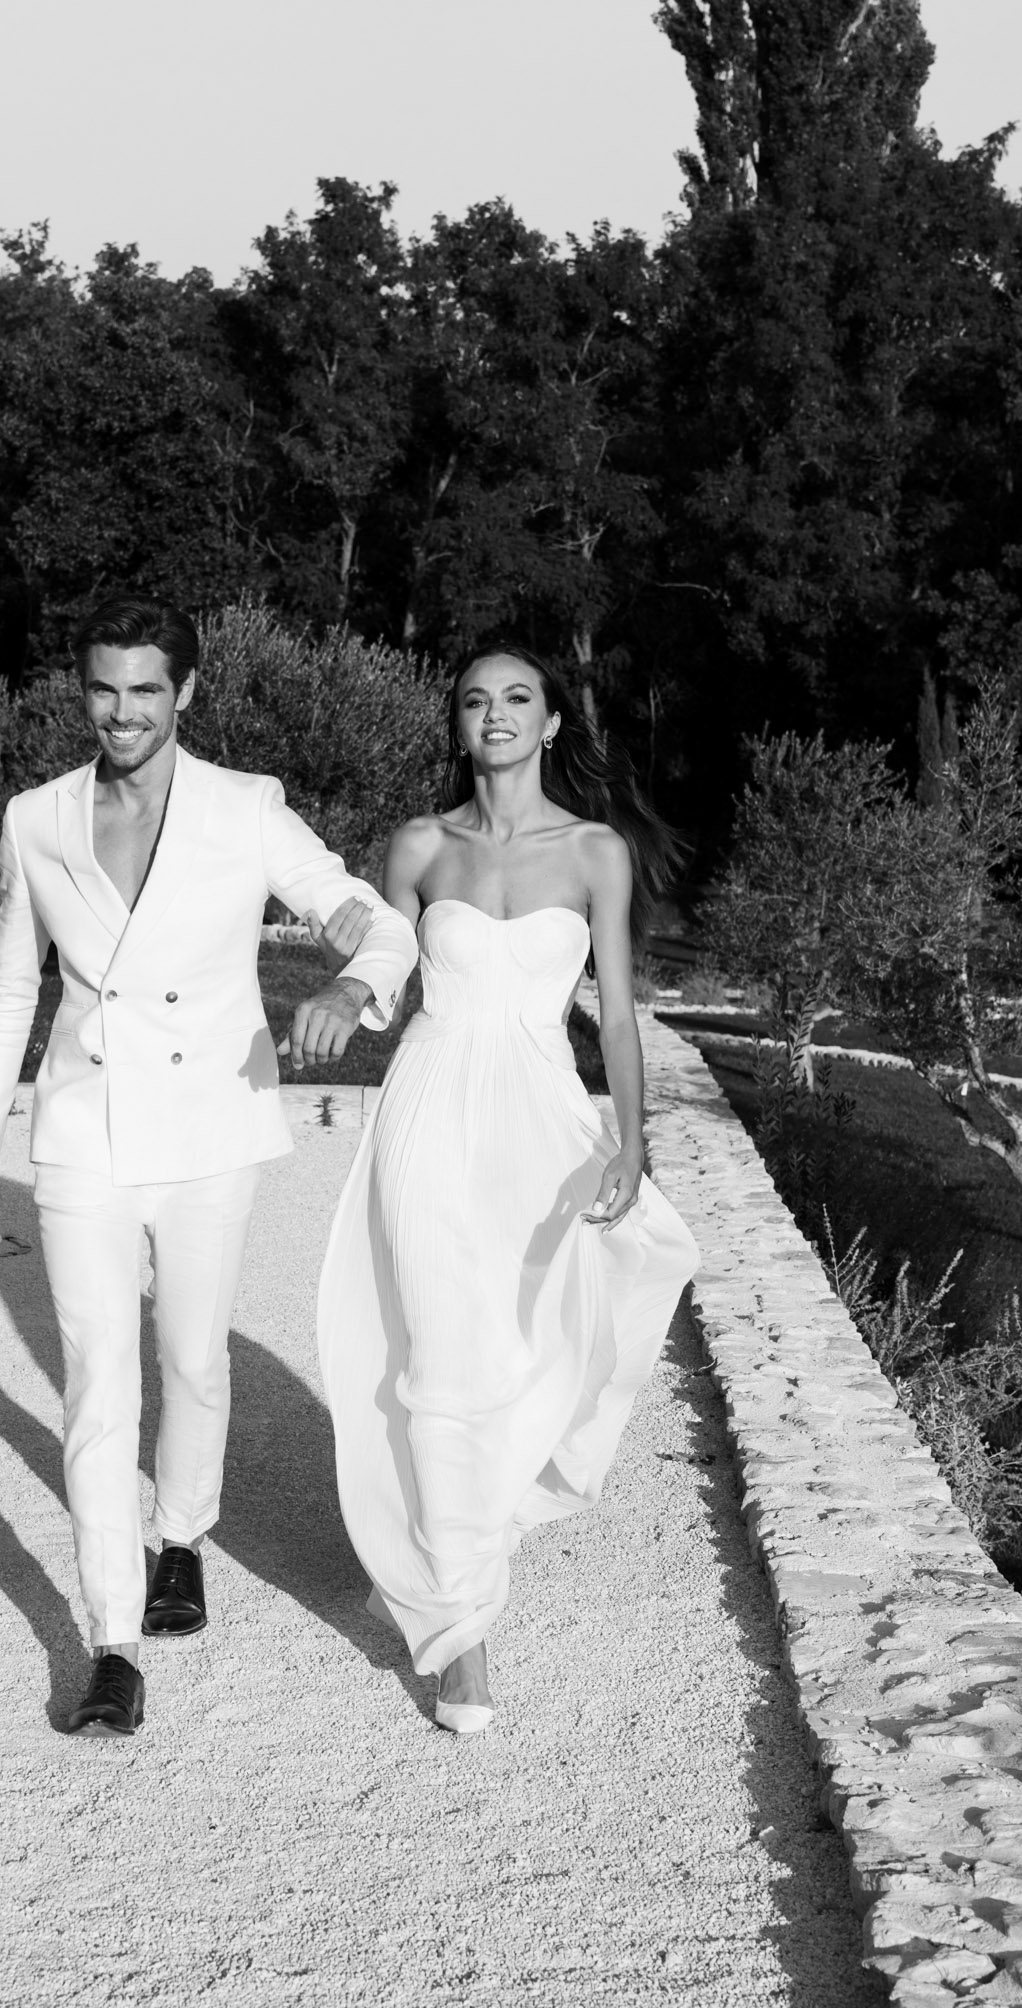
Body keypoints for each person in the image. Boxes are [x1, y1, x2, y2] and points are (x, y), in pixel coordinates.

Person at [0, 598, 417, 1738]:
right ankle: (111, 1643)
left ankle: (181, 1535)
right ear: (84, 690)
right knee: (97, 1382)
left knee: (194, 1362)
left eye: (145, 690)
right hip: (84, 1131)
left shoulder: (246, 809)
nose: (122, 713)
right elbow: (11, 978)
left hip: (211, 1131)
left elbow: (374, 920)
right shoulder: (37, 817)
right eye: (103, 689)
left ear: (186, 693)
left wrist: (351, 984)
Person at [316, 645, 700, 1733]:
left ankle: (464, 1531)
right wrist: (344, 991)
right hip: (429, 1106)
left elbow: (614, 1015)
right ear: (458, 722)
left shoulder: (594, 851)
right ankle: (461, 1634)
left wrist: (631, 1140)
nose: (495, 714)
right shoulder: (419, 845)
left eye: (517, 698)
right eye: (475, 699)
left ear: (550, 723)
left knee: (524, 1346)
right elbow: (388, 969)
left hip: (540, 1115)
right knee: (440, 1353)